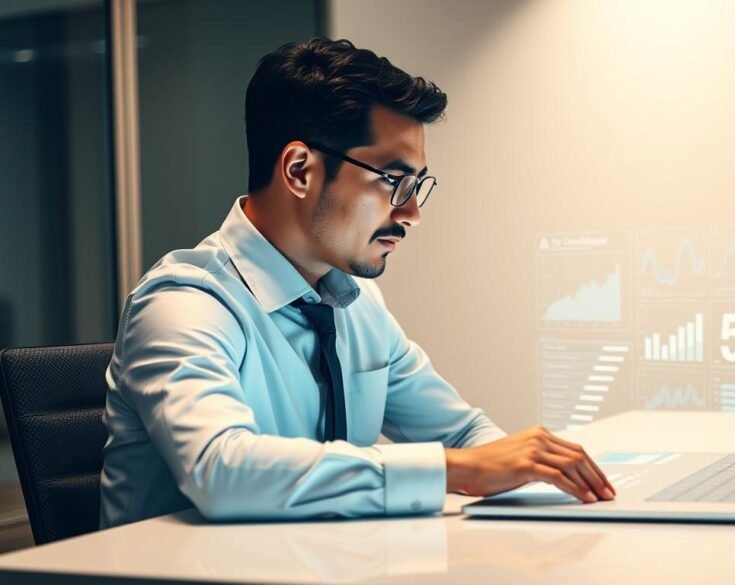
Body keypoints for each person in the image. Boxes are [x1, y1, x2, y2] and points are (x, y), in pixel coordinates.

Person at [99, 38, 614, 528]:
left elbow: (461, 433)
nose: (411, 213)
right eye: (394, 181)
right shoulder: (184, 304)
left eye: (417, 185)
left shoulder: (357, 303)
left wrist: (539, 477)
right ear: (299, 170)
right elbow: (221, 471)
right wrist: (455, 470)